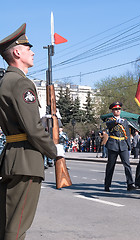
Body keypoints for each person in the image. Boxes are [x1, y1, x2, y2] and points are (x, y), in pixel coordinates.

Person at [0, 23, 64, 239]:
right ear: (17, 52)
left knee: (7, 222)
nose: (33, 52)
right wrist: (56, 152)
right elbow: (33, 129)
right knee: (17, 226)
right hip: (26, 161)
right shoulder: (20, 83)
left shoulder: (5, 81)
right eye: (28, 48)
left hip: (12, 156)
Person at [104, 101, 136, 192]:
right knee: (111, 165)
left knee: (127, 165)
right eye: (115, 109)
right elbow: (109, 125)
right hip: (113, 144)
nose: (117, 111)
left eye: (118, 109)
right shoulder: (110, 119)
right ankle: (107, 184)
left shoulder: (125, 121)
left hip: (123, 144)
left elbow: (128, 134)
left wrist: (129, 146)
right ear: (112, 111)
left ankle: (130, 184)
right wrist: (116, 122)